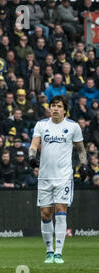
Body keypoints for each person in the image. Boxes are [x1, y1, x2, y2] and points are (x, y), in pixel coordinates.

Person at [29, 95, 89, 264]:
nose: (55, 109)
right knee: (45, 213)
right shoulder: (41, 125)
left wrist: (84, 165)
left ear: (65, 110)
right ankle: (49, 251)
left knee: (61, 211)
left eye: (59, 106)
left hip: (64, 176)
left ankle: (58, 252)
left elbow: (81, 150)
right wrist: (31, 156)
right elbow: (34, 144)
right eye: (53, 106)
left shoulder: (73, 127)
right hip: (45, 176)